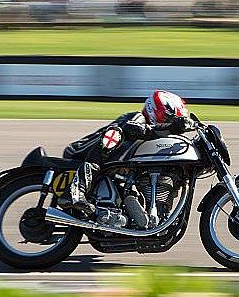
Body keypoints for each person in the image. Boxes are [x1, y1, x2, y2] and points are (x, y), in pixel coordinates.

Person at [60, 90, 191, 214]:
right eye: (169, 119)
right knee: (115, 134)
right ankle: (75, 191)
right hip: (80, 151)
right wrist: (171, 128)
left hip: (106, 165)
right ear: (155, 111)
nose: (170, 124)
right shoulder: (137, 117)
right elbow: (136, 129)